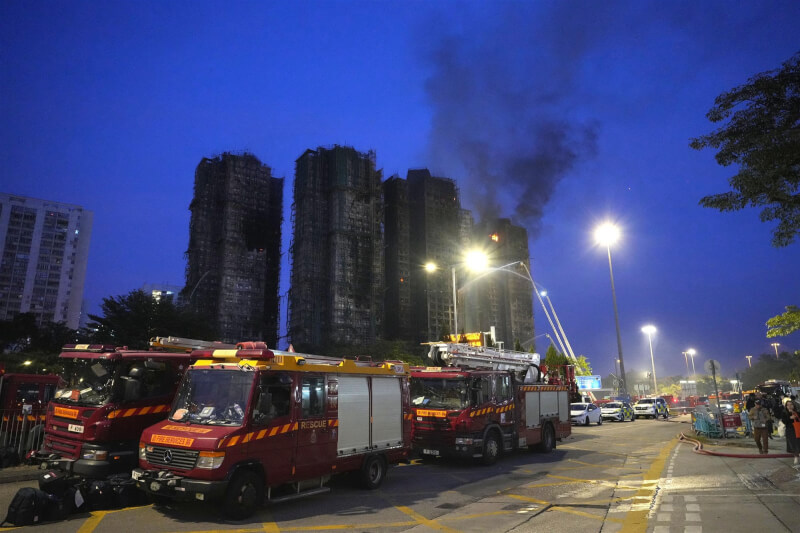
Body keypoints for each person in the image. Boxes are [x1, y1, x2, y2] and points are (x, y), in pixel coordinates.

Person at [780, 400, 800, 467]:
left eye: (791, 404)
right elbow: (784, 421)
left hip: (798, 430)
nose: (789, 406)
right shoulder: (784, 413)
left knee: (798, 442)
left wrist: (794, 414)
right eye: (788, 405)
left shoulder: (797, 412)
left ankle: (797, 454)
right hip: (790, 430)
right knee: (793, 443)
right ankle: (796, 456)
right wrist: (790, 418)